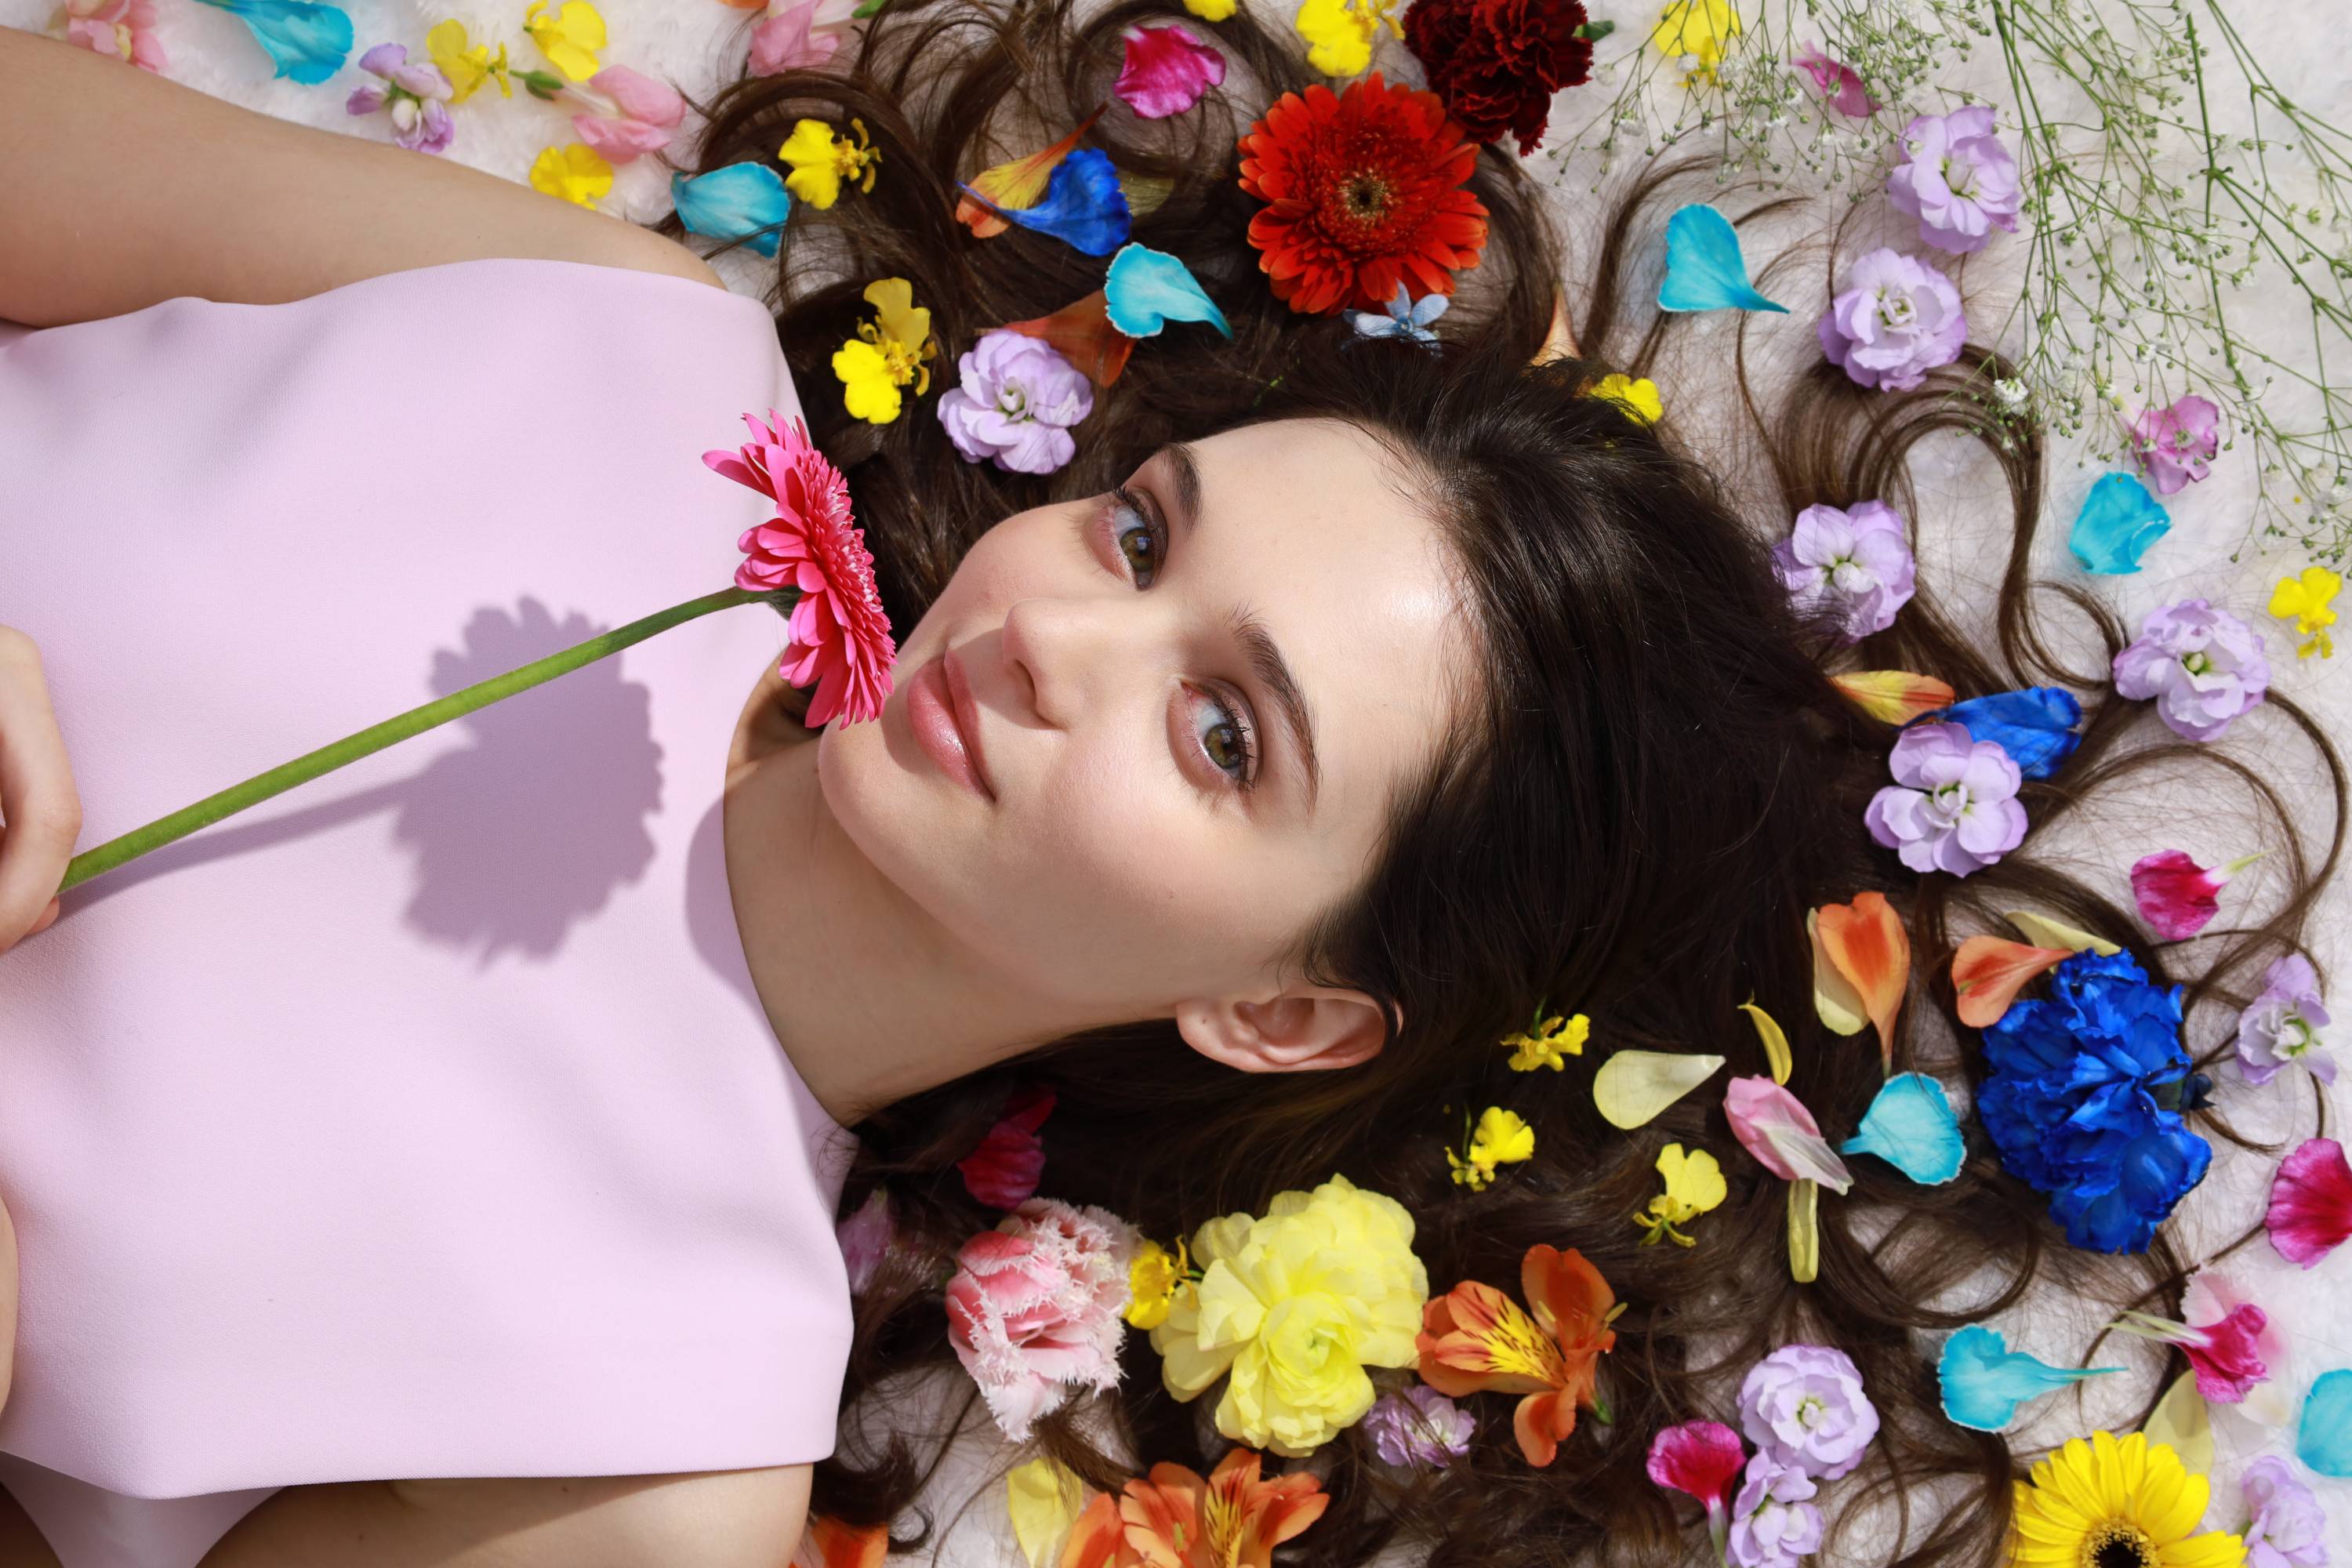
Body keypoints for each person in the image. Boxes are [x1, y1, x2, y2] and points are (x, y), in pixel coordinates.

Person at [0, 5, 2336, 1568]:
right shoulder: (622, 352)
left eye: (1225, 733)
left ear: (1292, 1015)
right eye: (1139, 536)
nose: (1049, 638)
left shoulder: (645, 1446)